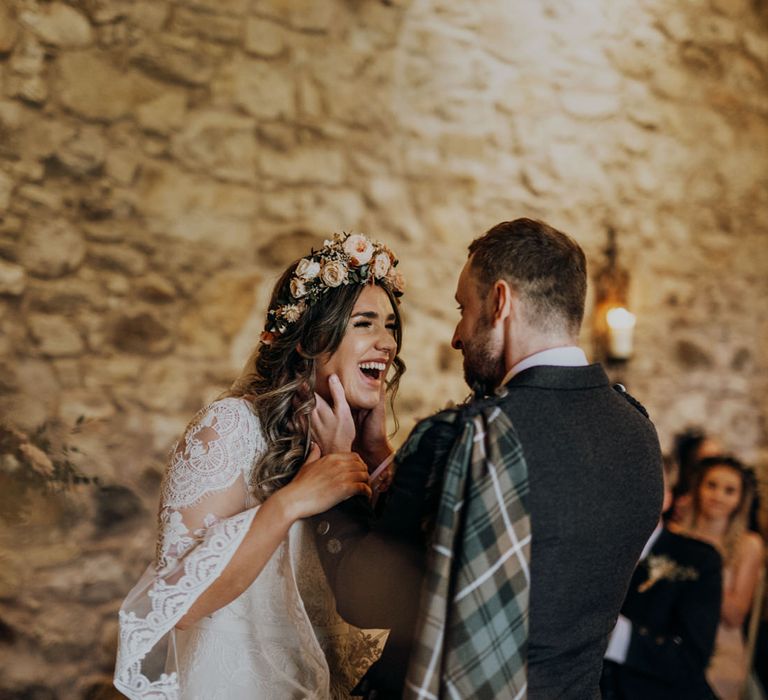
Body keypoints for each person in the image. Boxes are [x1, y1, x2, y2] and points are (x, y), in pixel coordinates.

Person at [312, 218, 664, 699]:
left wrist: (335, 463)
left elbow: (364, 597)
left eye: (464, 309)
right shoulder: (638, 431)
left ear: (499, 303)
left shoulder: (464, 438)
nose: (457, 336)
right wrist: (378, 455)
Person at [113, 232, 406, 699]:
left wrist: (375, 451)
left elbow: (389, 576)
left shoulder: (349, 445)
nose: (386, 343)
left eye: (390, 326)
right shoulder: (230, 427)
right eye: (365, 324)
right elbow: (179, 606)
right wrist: (289, 503)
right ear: (311, 339)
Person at [601, 455, 723, 699]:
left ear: (667, 497)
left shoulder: (698, 559)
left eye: (643, 484)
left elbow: (690, 659)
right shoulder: (591, 553)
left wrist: (609, 634)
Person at [677, 455, 766, 700]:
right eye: (712, 485)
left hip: (720, 650)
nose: (717, 496)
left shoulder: (748, 545)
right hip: (674, 640)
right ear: (699, 488)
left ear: (740, 499)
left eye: (729, 491)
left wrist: (706, 562)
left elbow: (735, 615)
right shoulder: (677, 535)